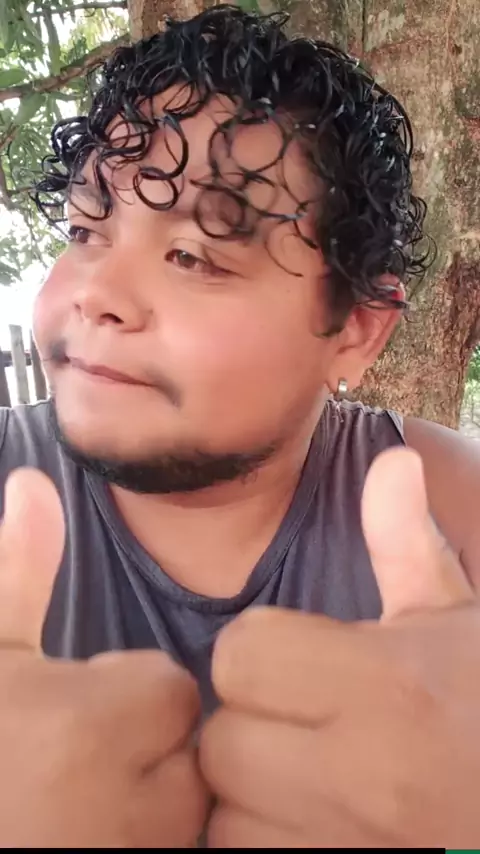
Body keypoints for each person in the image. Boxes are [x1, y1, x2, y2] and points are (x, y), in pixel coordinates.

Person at [0, 4, 479, 847]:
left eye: (193, 255)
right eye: (85, 230)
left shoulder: (455, 512)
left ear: (356, 330)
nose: (96, 294)